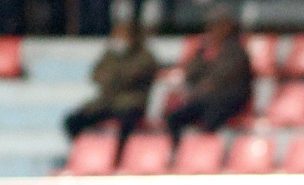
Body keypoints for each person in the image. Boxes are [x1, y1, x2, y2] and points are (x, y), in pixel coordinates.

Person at [63, 20, 157, 163]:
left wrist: (112, 76)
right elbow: (96, 75)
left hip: (131, 103)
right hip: (106, 102)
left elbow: (128, 77)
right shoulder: (110, 54)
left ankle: (118, 159)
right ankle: (81, 154)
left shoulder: (145, 57)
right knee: (74, 120)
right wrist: (113, 76)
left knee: (126, 124)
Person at [165, 6, 253, 147]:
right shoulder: (206, 49)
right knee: (175, 117)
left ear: (227, 27)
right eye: (211, 26)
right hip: (206, 98)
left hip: (228, 99)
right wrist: (202, 54)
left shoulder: (236, 51)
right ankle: (177, 150)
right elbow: (191, 73)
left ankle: (204, 153)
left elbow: (222, 78)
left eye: (216, 25)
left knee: (210, 120)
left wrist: (198, 91)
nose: (212, 30)